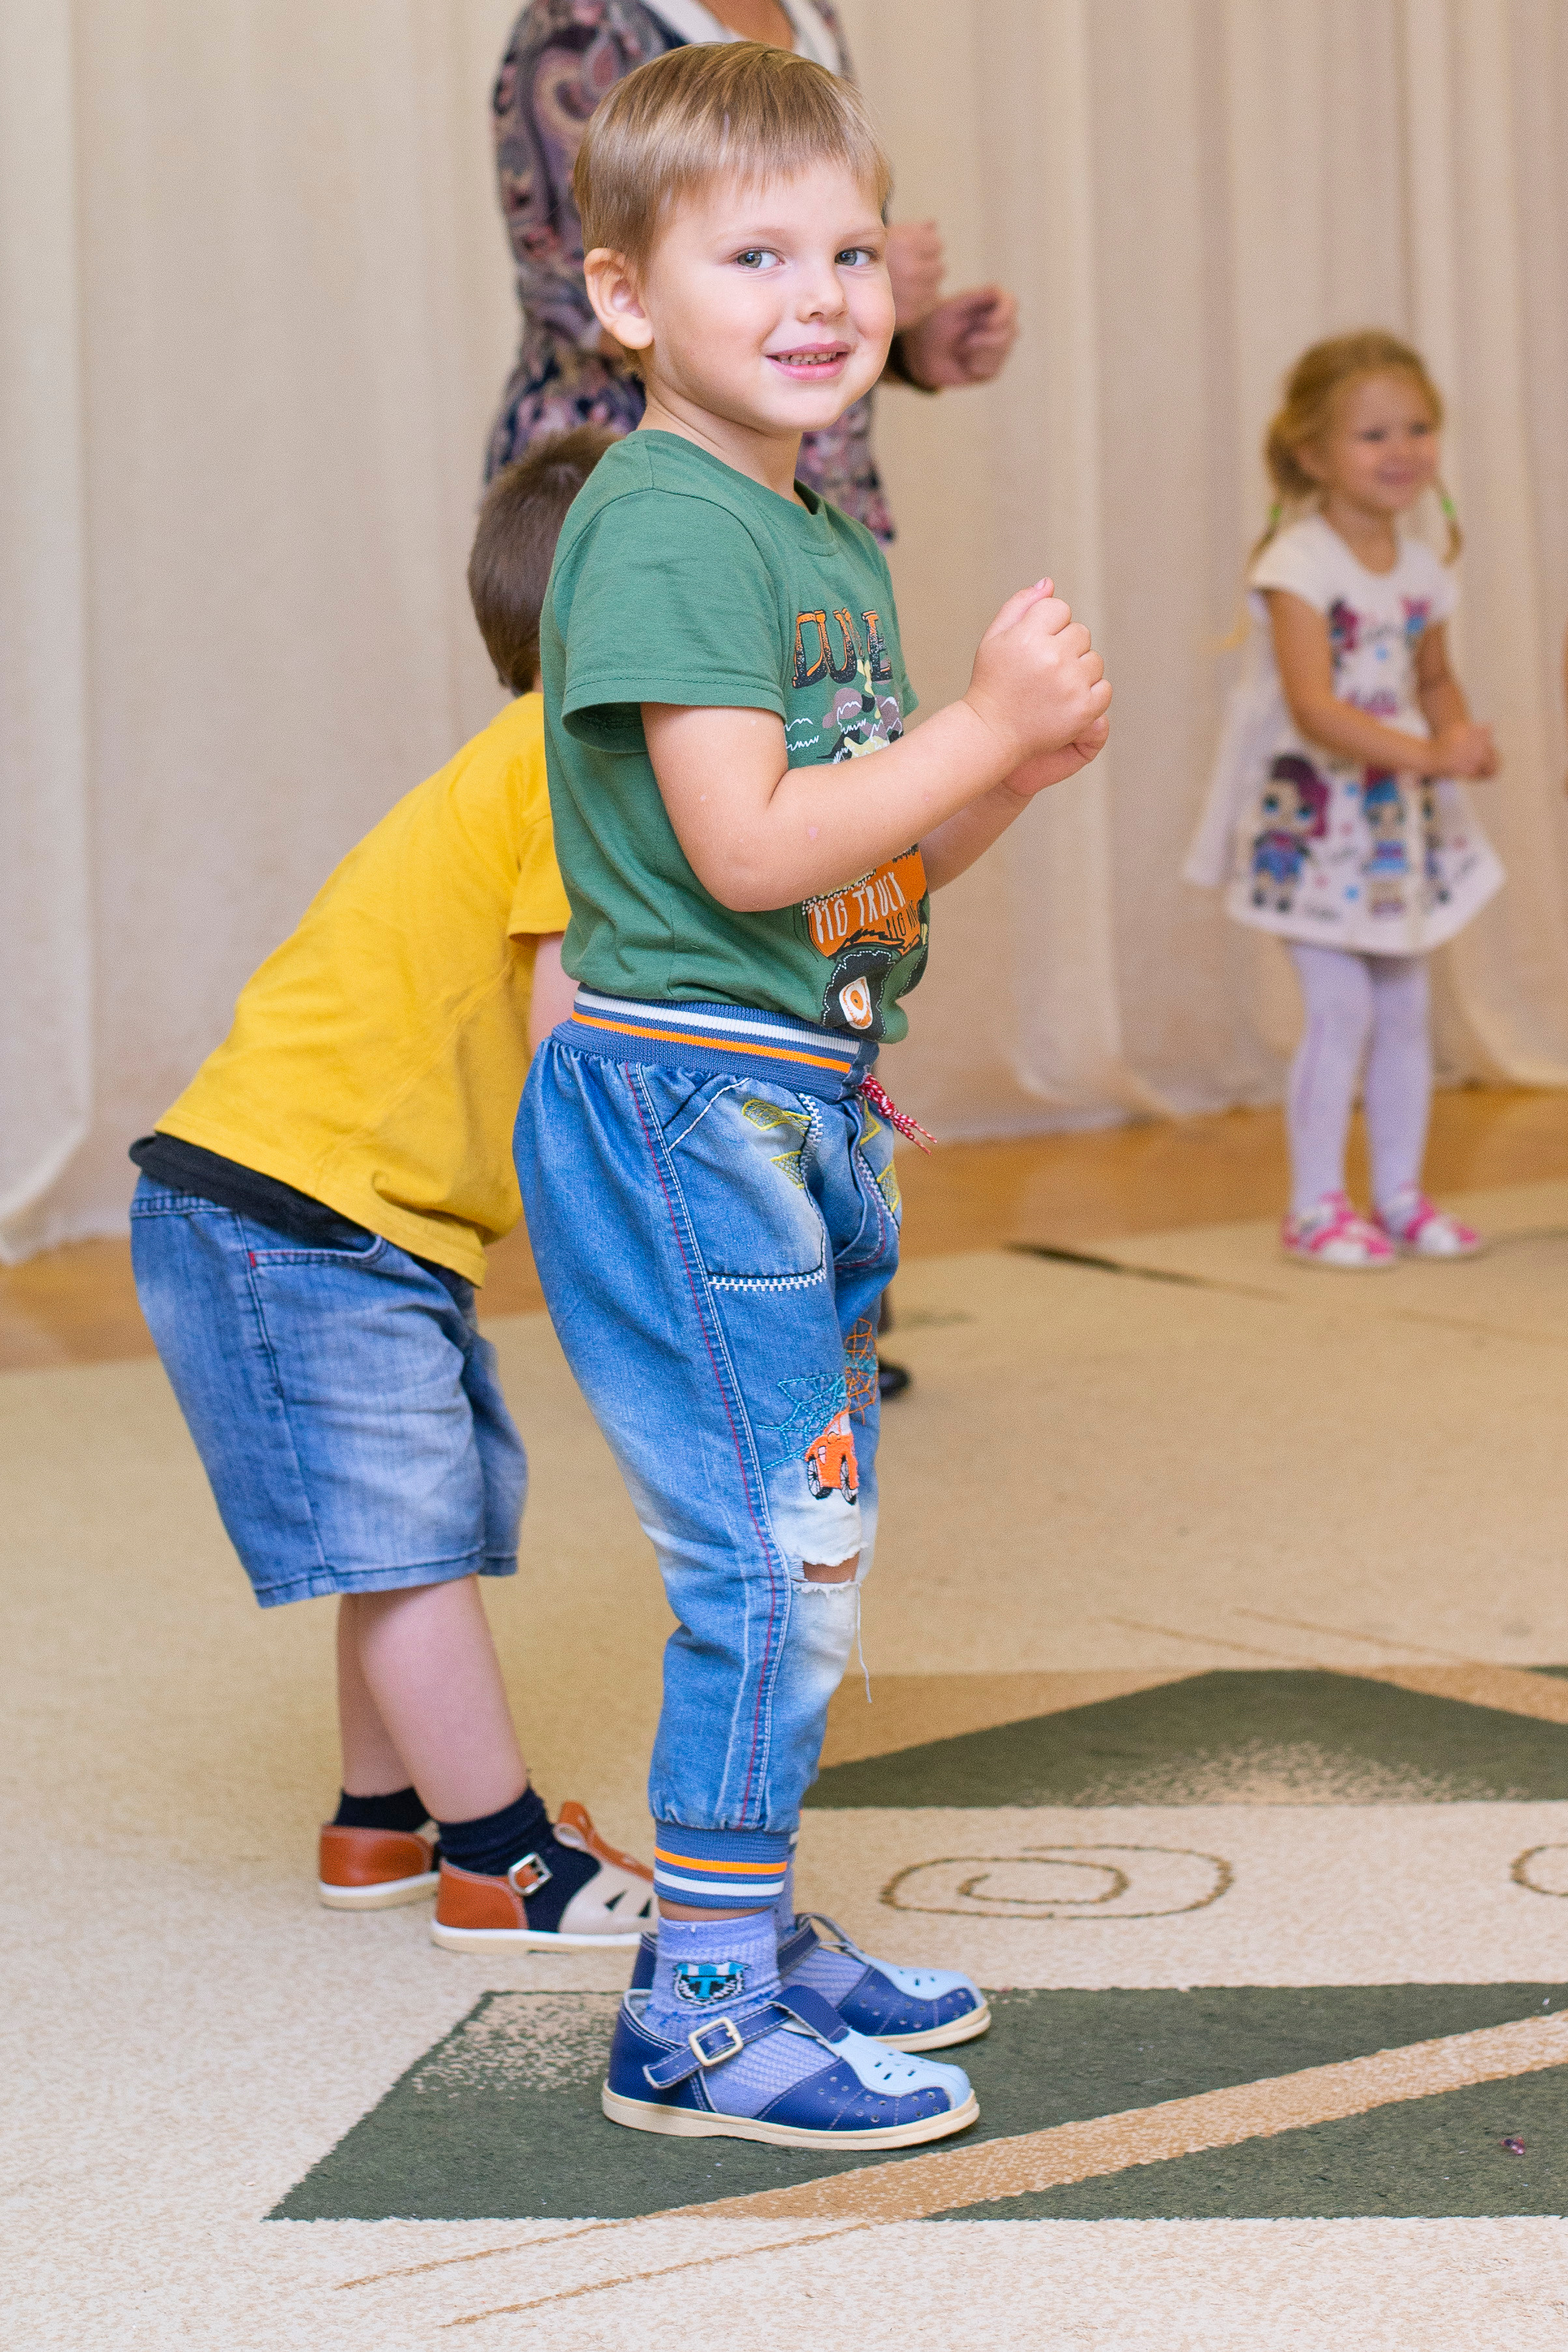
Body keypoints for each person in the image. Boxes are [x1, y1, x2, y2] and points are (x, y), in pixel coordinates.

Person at [518, 42, 1110, 2151]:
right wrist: (972, 722)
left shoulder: (815, 538)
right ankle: (690, 2008)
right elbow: (744, 855)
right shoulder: (667, 524)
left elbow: (857, 863)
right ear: (619, 301)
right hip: (685, 1110)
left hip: (789, 1093)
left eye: (847, 247)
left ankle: (743, 1929)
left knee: (812, 1546)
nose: (821, 290)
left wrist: (997, 782)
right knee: (769, 1560)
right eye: (751, 251)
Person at [129, 429, 657, 1950]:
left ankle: (383, 1819)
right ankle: (504, 1858)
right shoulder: (587, 758)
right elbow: (578, 1038)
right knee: (411, 1532)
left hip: (330, 1206)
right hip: (291, 1206)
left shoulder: (543, 754)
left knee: (419, 1520)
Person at [1186, 332, 1505, 1270]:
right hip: (1313, 825)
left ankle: (1398, 1194)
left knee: (1406, 1010)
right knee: (1342, 1011)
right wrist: (1427, 751)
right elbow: (1315, 709)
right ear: (1311, 453)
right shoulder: (1299, 564)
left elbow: (1432, 674)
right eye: (1372, 434)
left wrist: (1459, 734)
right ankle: (1314, 1203)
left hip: (1389, 831)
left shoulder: (1421, 568)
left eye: (1415, 428)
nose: (1399, 449)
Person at [485, 0, 1019, 539]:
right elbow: (563, 294)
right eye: (753, 257)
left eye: (853, 256)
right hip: (645, 481)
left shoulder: (813, 18)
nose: (827, 295)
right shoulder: (582, 26)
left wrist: (904, 349)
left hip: (801, 500)